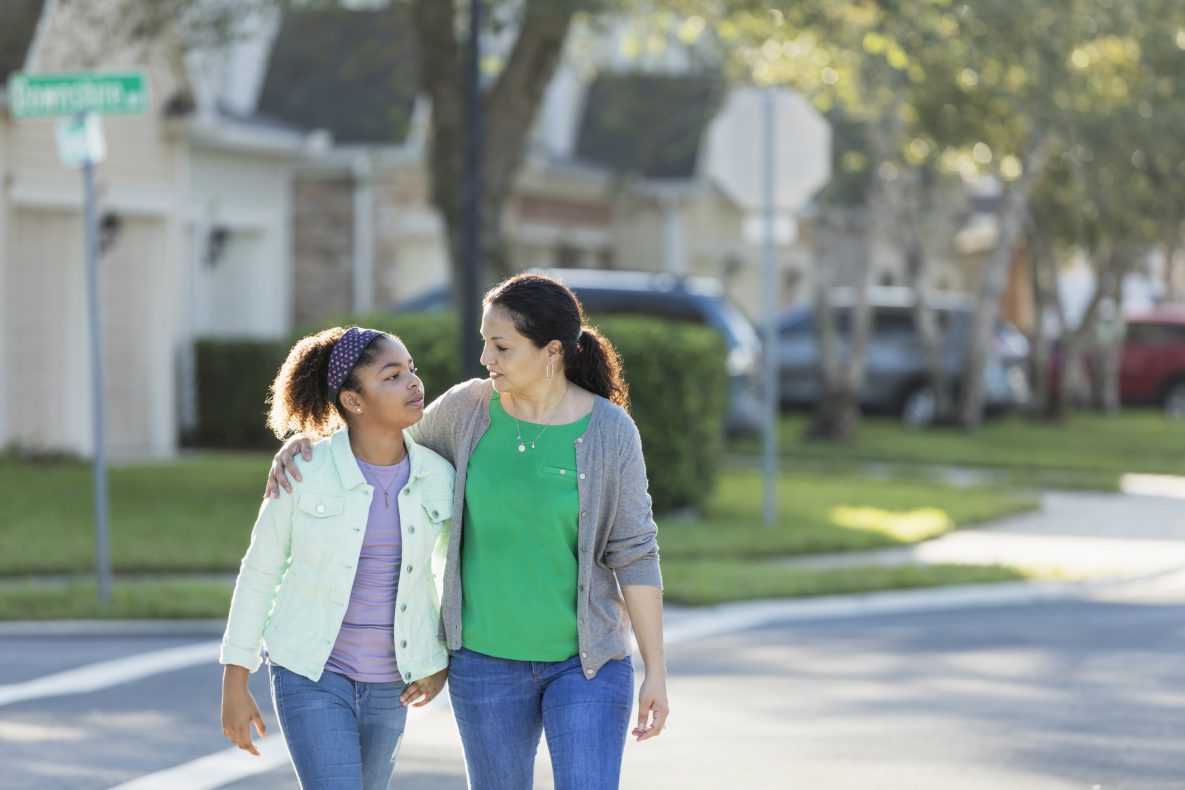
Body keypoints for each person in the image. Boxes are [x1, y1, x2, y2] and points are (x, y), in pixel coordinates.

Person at [267, 274, 669, 790]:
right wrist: (309, 444)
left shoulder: (610, 431)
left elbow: (634, 551)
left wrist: (655, 670)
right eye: (485, 342)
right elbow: (381, 443)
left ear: (551, 352)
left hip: (587, 664)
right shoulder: (467, 410)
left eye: (500, 346)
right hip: (485, 665)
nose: (486, 358)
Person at [221, 326, 454, 790]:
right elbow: (260, 572)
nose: (413, 382)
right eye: (392, 375)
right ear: (353, 400)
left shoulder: (439, 475)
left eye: (412, 370)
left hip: (394, 682)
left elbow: (450, 574)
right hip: (310, 673)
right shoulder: (303, 471)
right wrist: (235, 680)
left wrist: (438, 660)